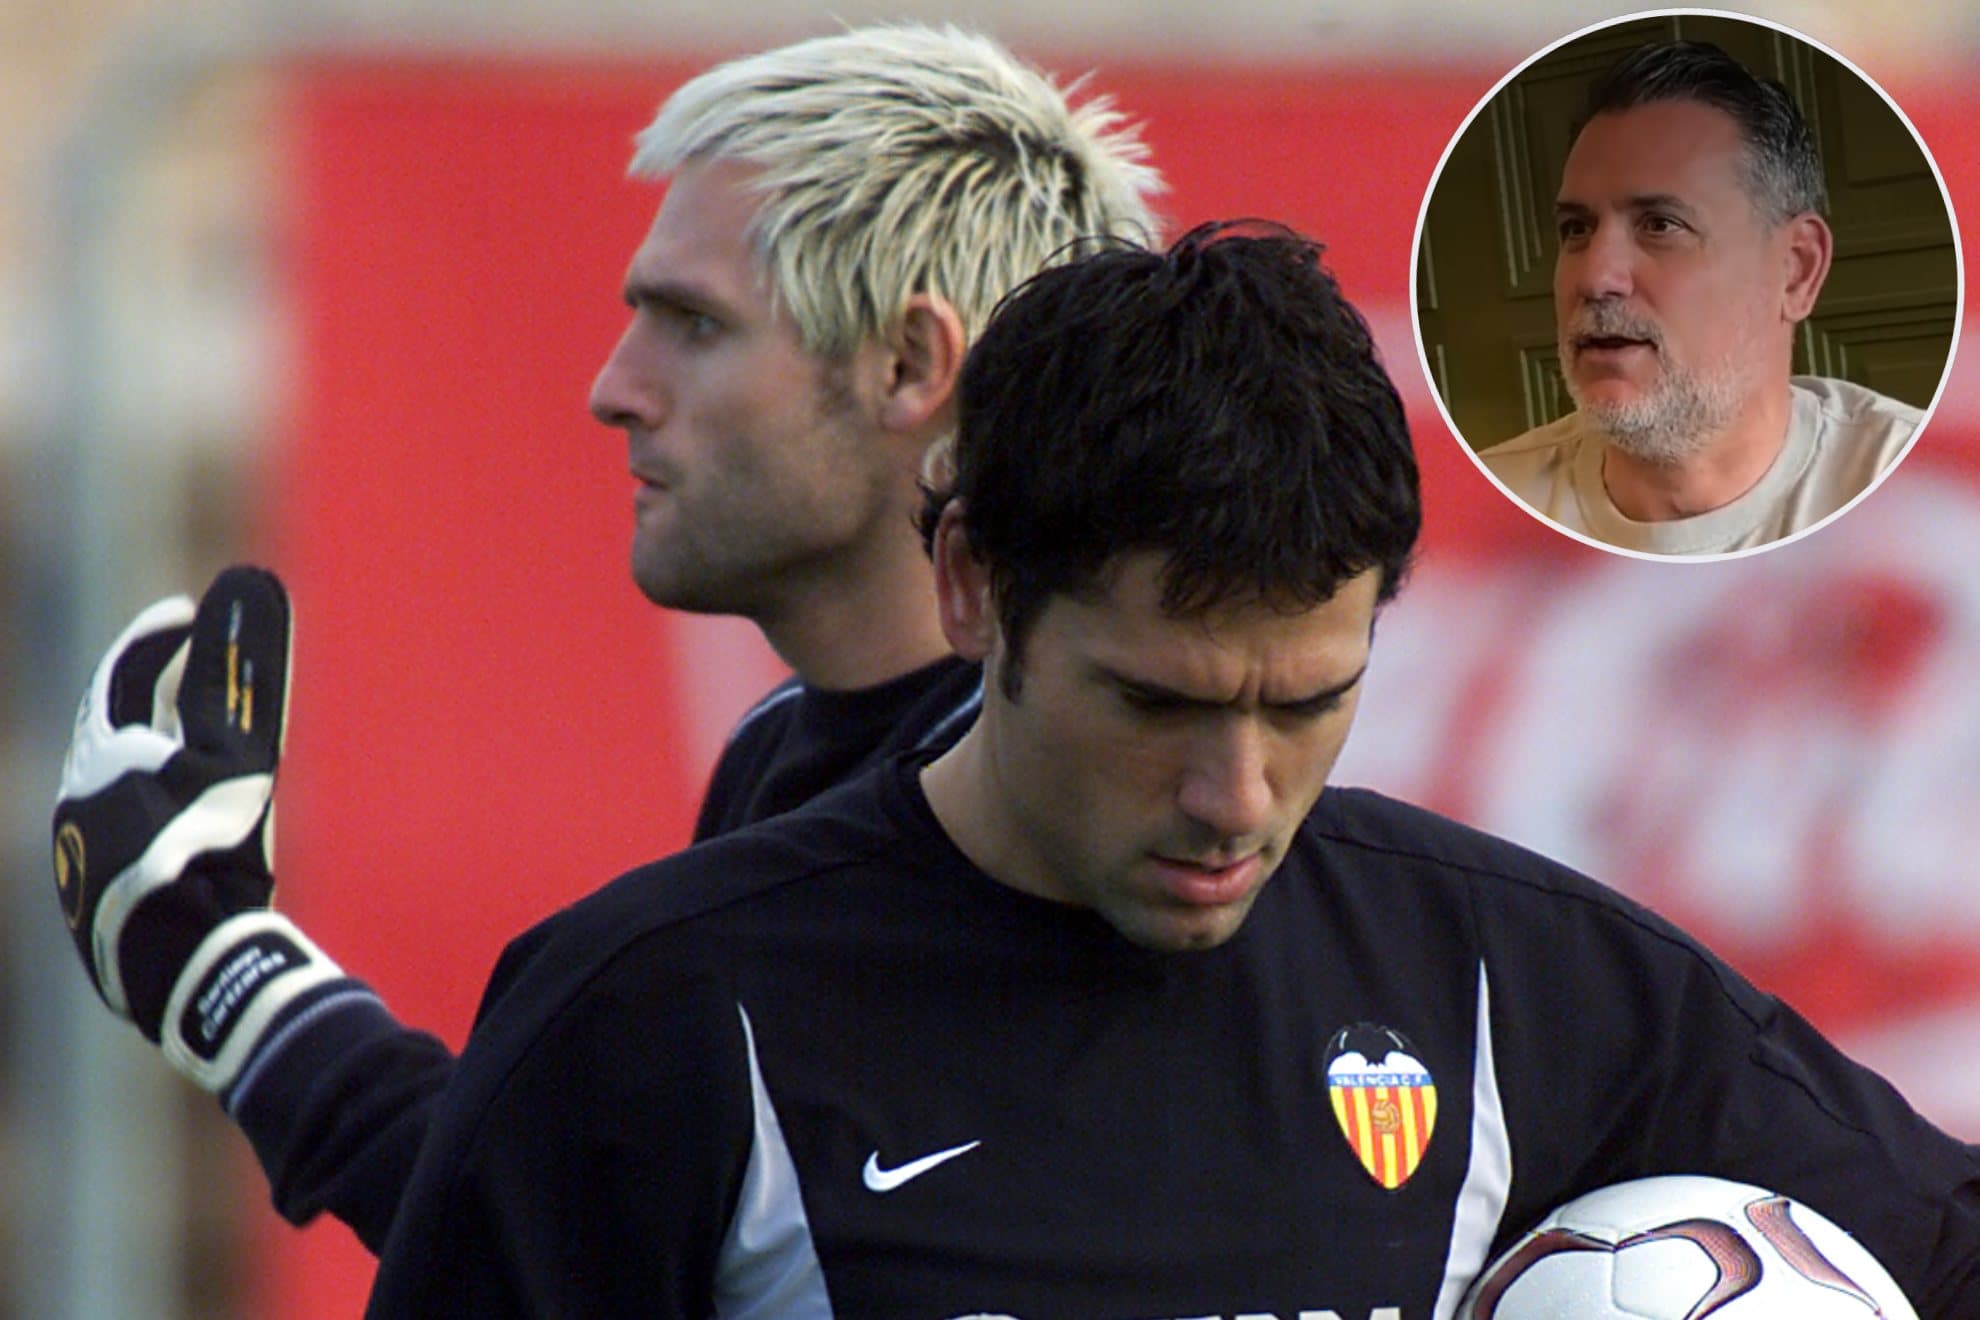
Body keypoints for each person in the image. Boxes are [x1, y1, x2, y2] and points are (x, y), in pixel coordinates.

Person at [362, 224, 1980, 1316]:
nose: (1238, 797)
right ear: (973, 585)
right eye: (1156, 704)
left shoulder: (1505, 981)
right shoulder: (659, 1018)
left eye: (1310, 704)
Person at [48, 23, 1162, 1256]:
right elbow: (595, 1232)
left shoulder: (1036, 811)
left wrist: (225, 971)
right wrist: (224, 964)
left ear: (909, 364)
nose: (614, 388)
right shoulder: (800, 754)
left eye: (694, 324)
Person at [1480, 40, 1922, 556]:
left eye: (1660, 224)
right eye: (1576, 229)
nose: (1596, 279)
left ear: (1796, 272)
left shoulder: (1925, 494)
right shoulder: (1477, 511)